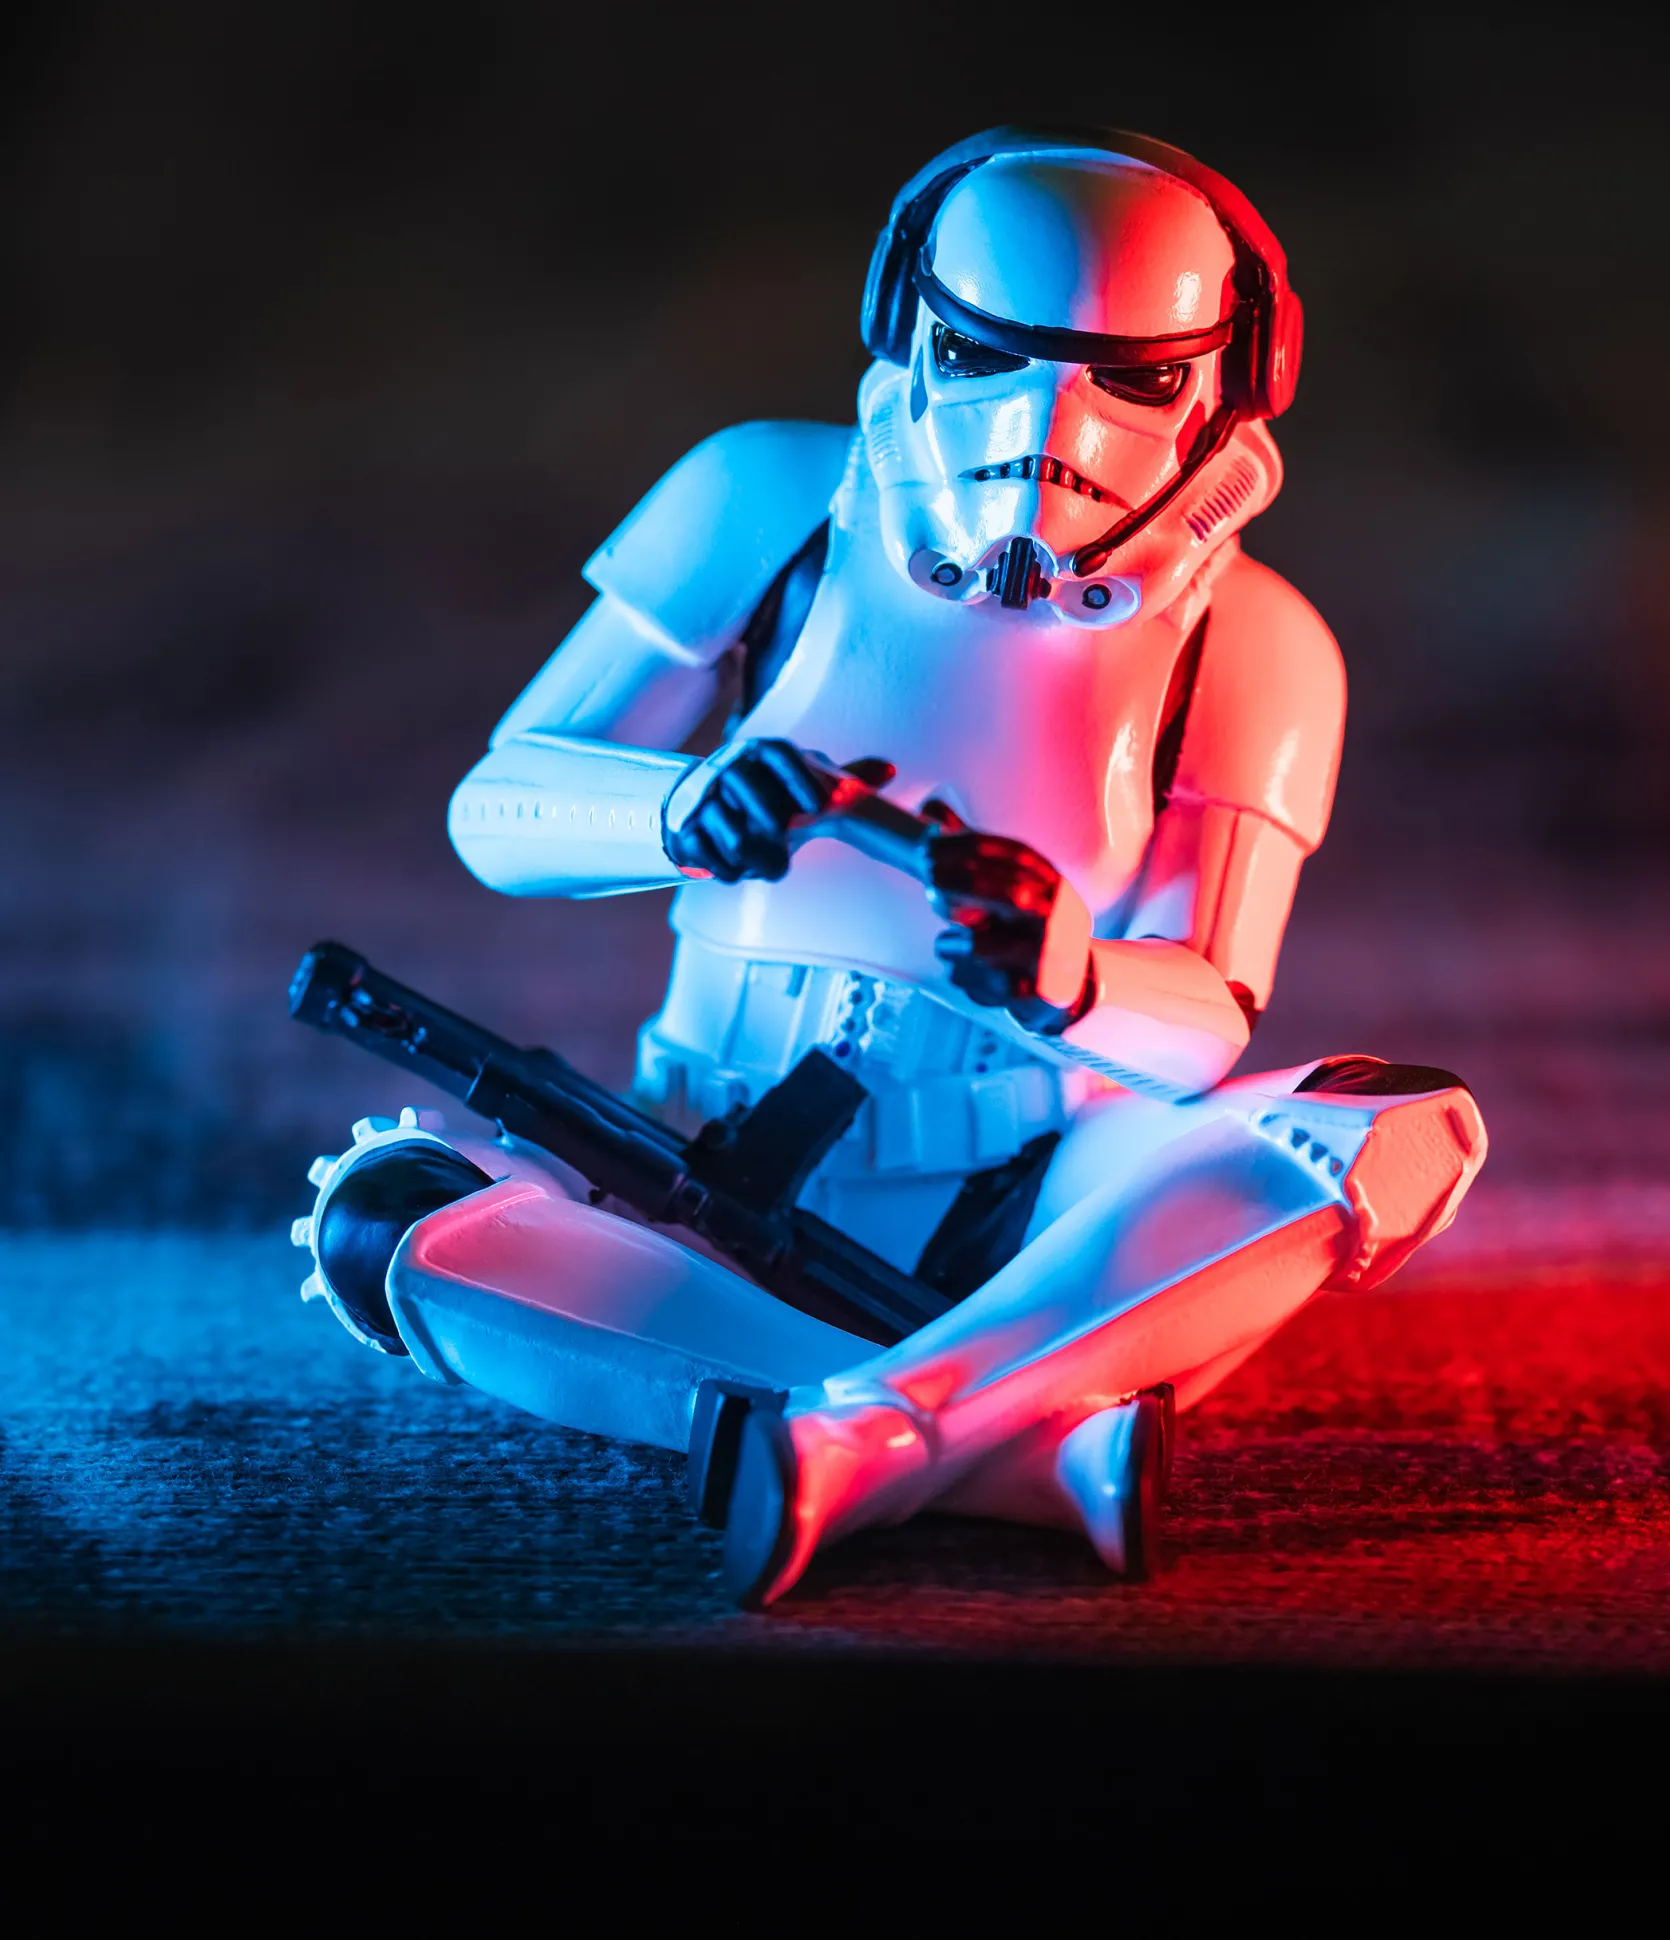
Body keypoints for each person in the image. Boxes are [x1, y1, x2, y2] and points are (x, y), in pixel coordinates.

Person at [293, 127, 1487, 1606]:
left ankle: (846, 1430)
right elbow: (499, 809)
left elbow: (1208, 1020)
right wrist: (677, 811)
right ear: (904, 328)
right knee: (389, 1217)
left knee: (1383, 1132)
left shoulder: (1257, 641)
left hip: (1044, 1191)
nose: (1047, 421)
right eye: (984, 354)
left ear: (1230, 384)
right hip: (698, 1144)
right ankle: (1012, 1436)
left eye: (1132, 379)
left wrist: (1074, 980)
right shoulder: (765, 502)